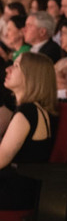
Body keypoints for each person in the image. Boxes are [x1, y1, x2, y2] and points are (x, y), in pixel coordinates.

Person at [0, 53, 57, 210]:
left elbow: (1, 159)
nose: (8, 70)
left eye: (16, 66)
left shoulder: (27, 111)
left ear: (31, 76)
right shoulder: (32, 109)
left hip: (14, 191)